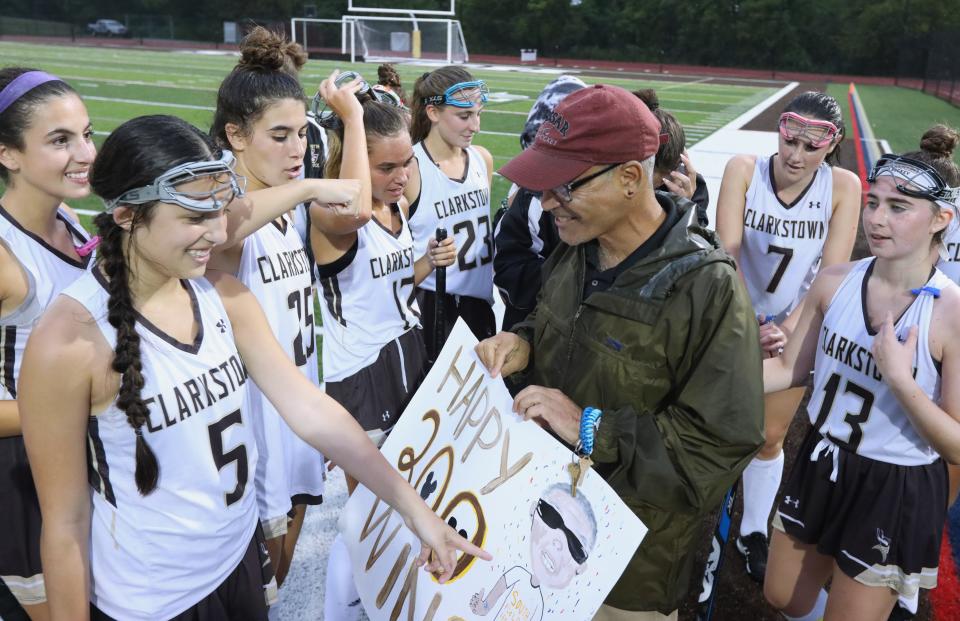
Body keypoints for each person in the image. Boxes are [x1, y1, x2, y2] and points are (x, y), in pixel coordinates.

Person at [17, 115, 489, 621]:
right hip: (148, 602)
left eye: (219, 210)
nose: (218, 231)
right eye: (195, 216)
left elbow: (312, 411)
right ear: (129, 215)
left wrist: (416, 511)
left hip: (238, 566)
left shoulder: (225, 296)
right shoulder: (66, 342)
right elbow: (65, 524)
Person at [475, 84, 764, 620]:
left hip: (624, 574)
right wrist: (524, 340)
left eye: (562, 186)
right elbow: (559, 318)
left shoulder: (707, 288)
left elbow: (717, 448)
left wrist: (589, 426)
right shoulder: (576, 242)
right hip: (532, 531)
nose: (544, 203)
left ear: (630, 178)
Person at [761, 127, 960, 621]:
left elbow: (956, 445)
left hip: (895, 486)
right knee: (782, 596)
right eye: (873, 202)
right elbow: (789, 369)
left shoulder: (951, 316)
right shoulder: (835, 282)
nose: (875, 218)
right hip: (821, 459)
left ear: (941, 218)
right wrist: (710, 375)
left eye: (898, 207)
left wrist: (900, 380)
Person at [208, 27, 359, 587]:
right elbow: (223, 228)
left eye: (302, 133)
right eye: (279, 134)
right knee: (259, 583)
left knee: (280, 583)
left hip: (297, 408)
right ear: (235, 135)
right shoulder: (218, 194)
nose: (297, 149)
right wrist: (309, 188)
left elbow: (355, 204)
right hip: (253, 425)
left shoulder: (286, 195)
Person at [310, 69, 456, 621]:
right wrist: (349, 118)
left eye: (407, 163)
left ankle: (395, 599)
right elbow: (350, 213)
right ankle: (347, 610)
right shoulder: (333, 219)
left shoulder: (395, 208)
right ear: (353, 163)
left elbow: (387, 283)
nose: (400, 178)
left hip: (409, 357)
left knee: (411, 500)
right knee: (367, 513)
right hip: (362, 380)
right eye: (385, 167)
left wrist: (424, 265)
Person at [715, 91, 861, 583]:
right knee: (712, 419)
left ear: (830, 146)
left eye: (810, 147)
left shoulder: (842, 186)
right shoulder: (743, 169)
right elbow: (727, 252)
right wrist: (749, 323)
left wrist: (787, 327)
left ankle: (753, 528)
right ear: (780, 131)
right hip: (734, 315)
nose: (796, 155)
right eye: (789, 140)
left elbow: (833, 268)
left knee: (770, 434)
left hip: (794, 326)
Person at [493, 80, 708, 330]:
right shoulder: (541, 201)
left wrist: (686, 211)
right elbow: (511, 271)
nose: (549, 200)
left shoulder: (707, 273)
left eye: (655, 188)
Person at [0, 67, 97, 621]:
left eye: (85, 133)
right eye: (60, 141)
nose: (84, 152)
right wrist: (87, 400)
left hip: (75, 463)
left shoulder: (68, 216)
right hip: (22, 479)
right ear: (9, 154)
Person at [405, 66, 495, 359]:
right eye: (464, 116)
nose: (475, 125)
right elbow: (388, 259)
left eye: (478, 114)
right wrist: (428, 260)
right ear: (432, 113)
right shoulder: (411, 168)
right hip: (431, 305)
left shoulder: (482, 159)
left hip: (478, 307)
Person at [470, 482, 598, 621]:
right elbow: (486, 607)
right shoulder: (517, 573)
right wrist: (480, 607)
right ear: (533, 511)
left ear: (580, 568)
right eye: (551, 515)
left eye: (576, 546)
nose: (558, 541)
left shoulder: (539, 606)